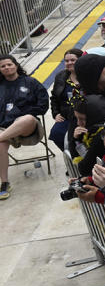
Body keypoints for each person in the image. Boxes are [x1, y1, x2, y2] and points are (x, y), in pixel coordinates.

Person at [0, 56, 48, 199]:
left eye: (9, 64)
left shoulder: (31, 82)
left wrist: (21, 113)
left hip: (27, 129)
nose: (7, 67)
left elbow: (43, 105)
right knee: (0, 145)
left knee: (27, 118)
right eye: (3, 66)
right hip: (4, 128)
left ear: (16, 65)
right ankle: (4, 182)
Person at [49, 48, 84, 151]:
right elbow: (54, 97)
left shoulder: (88, 76)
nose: (69, 63)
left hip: (83, 117)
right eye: (67, 61)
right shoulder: (61, 76)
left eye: (73, 60)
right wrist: (55, 113)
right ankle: (71, 158)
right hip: (66, 116)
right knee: (56, 133)